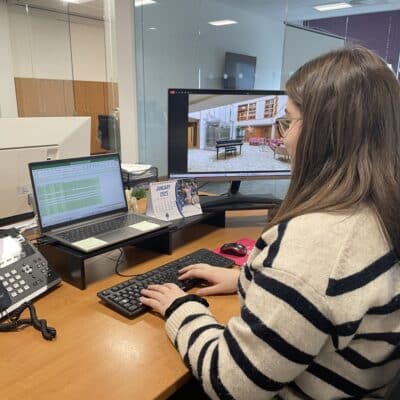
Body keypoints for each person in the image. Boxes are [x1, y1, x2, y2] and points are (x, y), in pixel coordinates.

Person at [140, 46, 400, 399]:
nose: (284, 138)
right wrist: (245, 278)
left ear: (324, 134)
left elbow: (231, 383)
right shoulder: (378, 212)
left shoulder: (319, 238)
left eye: (290, 121)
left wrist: (180, 308)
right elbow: (323, 297)